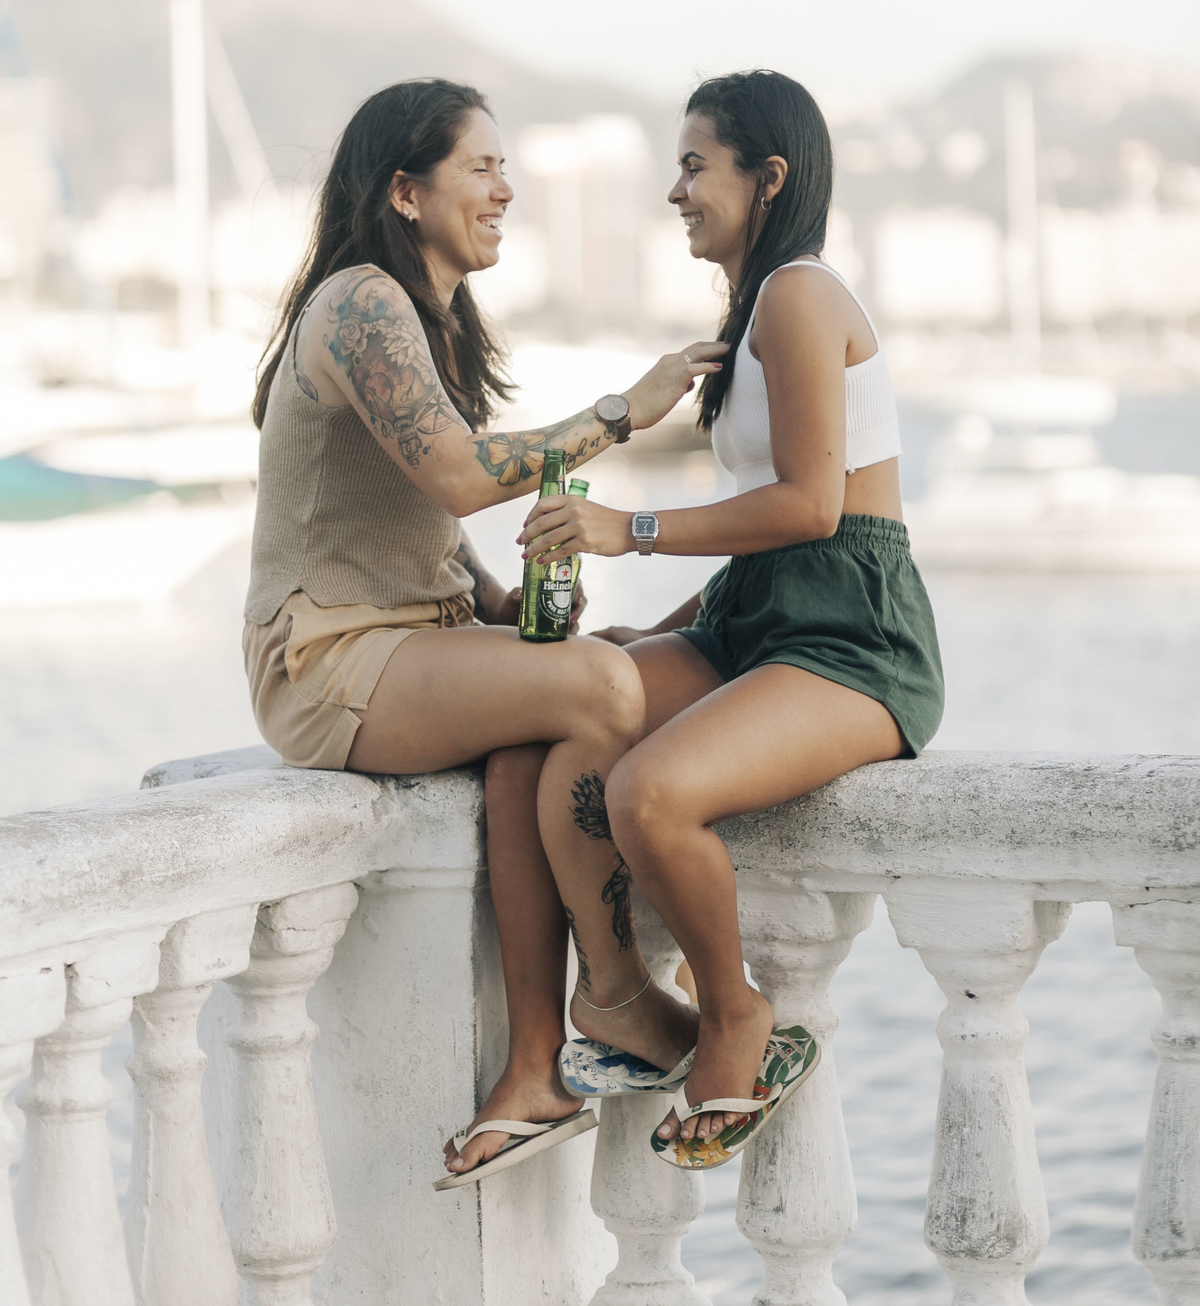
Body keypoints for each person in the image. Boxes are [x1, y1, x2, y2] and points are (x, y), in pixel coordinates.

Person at [243, 78, 725, 1186]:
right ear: (405, 191)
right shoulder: (361, 303)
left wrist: (502, 605)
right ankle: (618, 999)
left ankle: (534, 1071)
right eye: (482, 167)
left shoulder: (427, 319)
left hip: (407, 639)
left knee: (553, 717)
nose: (506, 189)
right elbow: (458, 476)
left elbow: (410, 509)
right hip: (326, 661)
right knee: (602, 687)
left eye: (506, 168)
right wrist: (623, 411)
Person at [518, 69, 944, 1170]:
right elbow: (766, 538)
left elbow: (811, 508)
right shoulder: (752, 313)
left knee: (648, 794)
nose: (676, 192)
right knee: (573, 719)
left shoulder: (800, 296)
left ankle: (734, 1011)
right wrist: (653, 635)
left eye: (695, 166)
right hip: (752, 620)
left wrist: (627, 530)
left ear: (770, 177)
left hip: (851, 639)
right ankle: (618, 998)